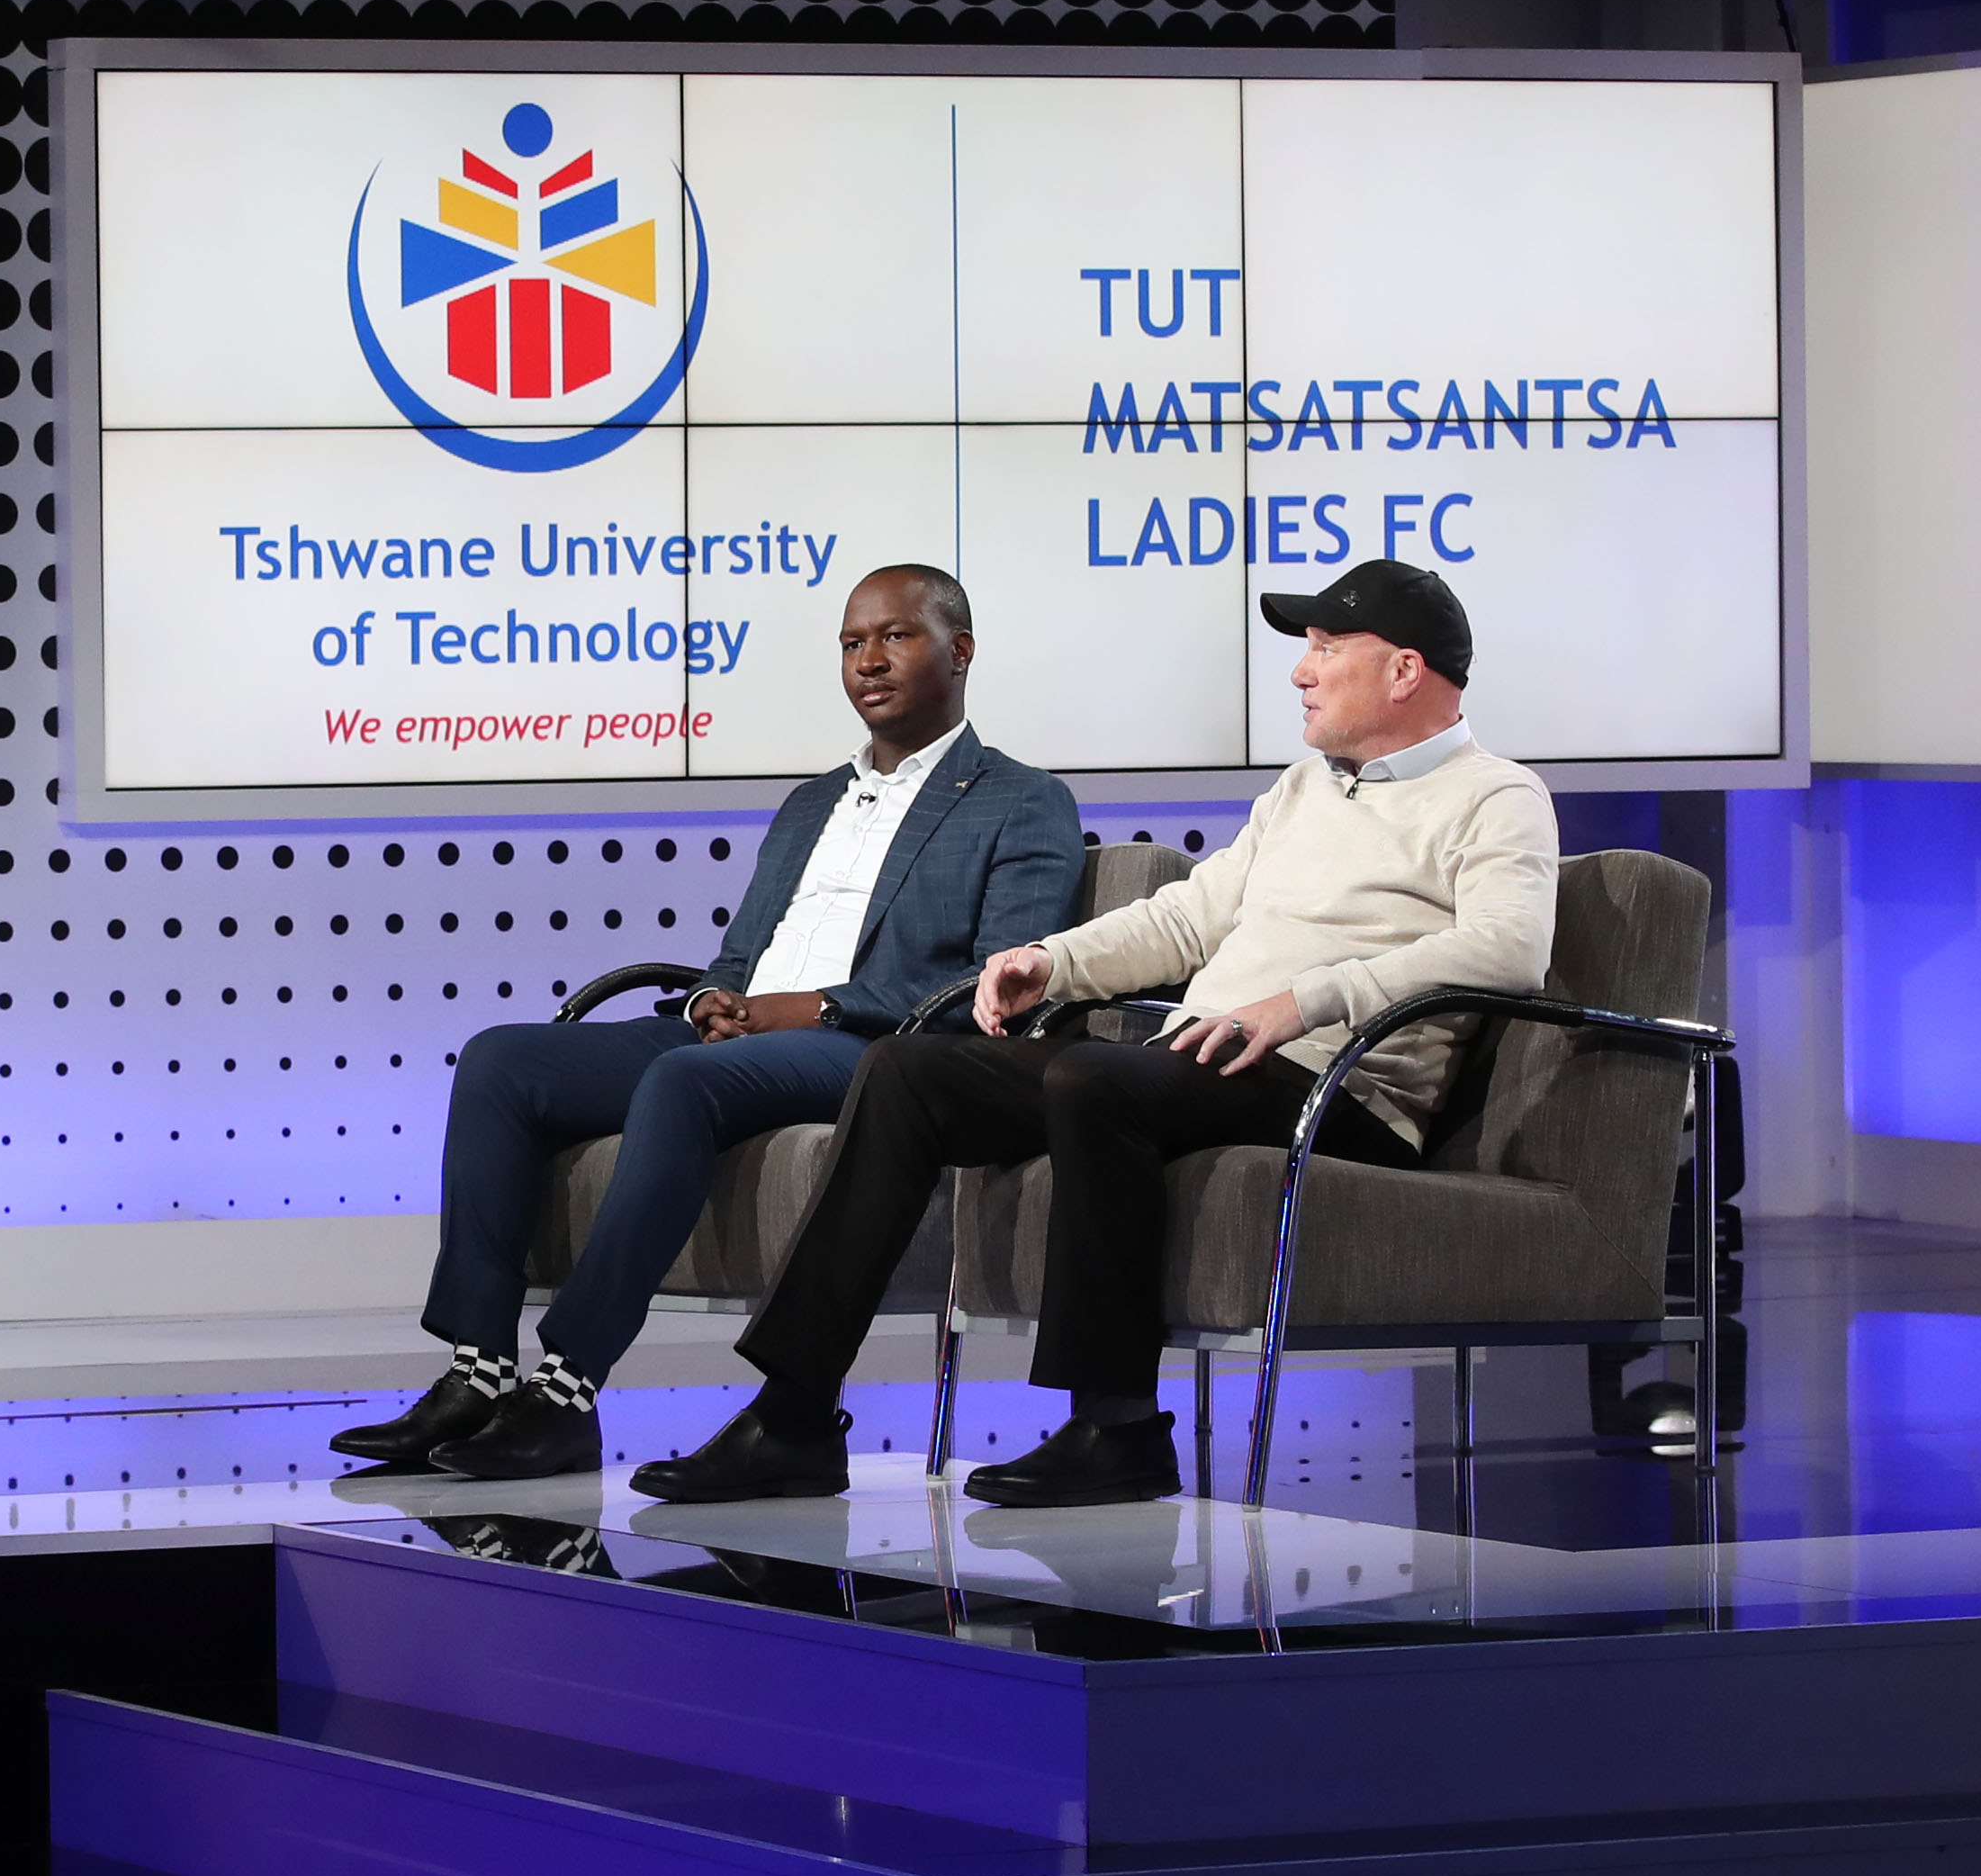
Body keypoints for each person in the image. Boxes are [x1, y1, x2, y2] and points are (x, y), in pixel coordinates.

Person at [639, 558, 1556, 1509]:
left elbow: (1508, 948)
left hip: (1340, 1087)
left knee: (1090, 1077)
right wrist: (1052, 962)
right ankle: (792, 1414)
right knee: (908, 1069)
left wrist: (1306, 1000)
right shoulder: (1301, 790)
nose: (1300, 670)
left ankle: (1118, 1430)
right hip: (1212, 1061)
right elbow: (1186, 919)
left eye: (1326, 648)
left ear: (1403, 670)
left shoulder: (1494, 793)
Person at [330, 565, 1082, 1480]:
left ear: (958, 651)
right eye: (851, 643)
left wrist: (812, 1007)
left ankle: (565, 1390)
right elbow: (737, 954)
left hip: (875, 1050)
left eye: (895, 636)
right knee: (501, 1061)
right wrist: (712, 1001)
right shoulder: (811, 802)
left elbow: (995, 981)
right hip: (746, 1033)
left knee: (683, 1078)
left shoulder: (1020, 797)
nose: (868, 661)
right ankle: (478, 1373)